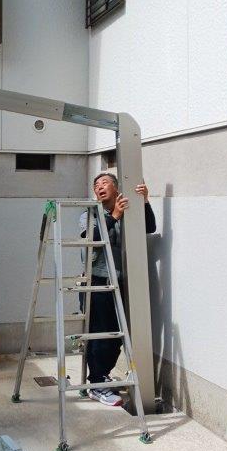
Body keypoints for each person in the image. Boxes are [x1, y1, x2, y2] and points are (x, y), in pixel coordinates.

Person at [79, 173, 156, 406]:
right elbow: (92, 239)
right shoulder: (90, 214)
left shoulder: (126, 210)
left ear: (116, 187)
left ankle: (101, 376)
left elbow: (149, 227)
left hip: (121, 281)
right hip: (97, 282)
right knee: (101, 334)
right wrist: (114, 216)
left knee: (117, 335)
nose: (99, 187)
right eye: (96, 185)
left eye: (104, 183)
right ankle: (96, 384)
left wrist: (145, 201)